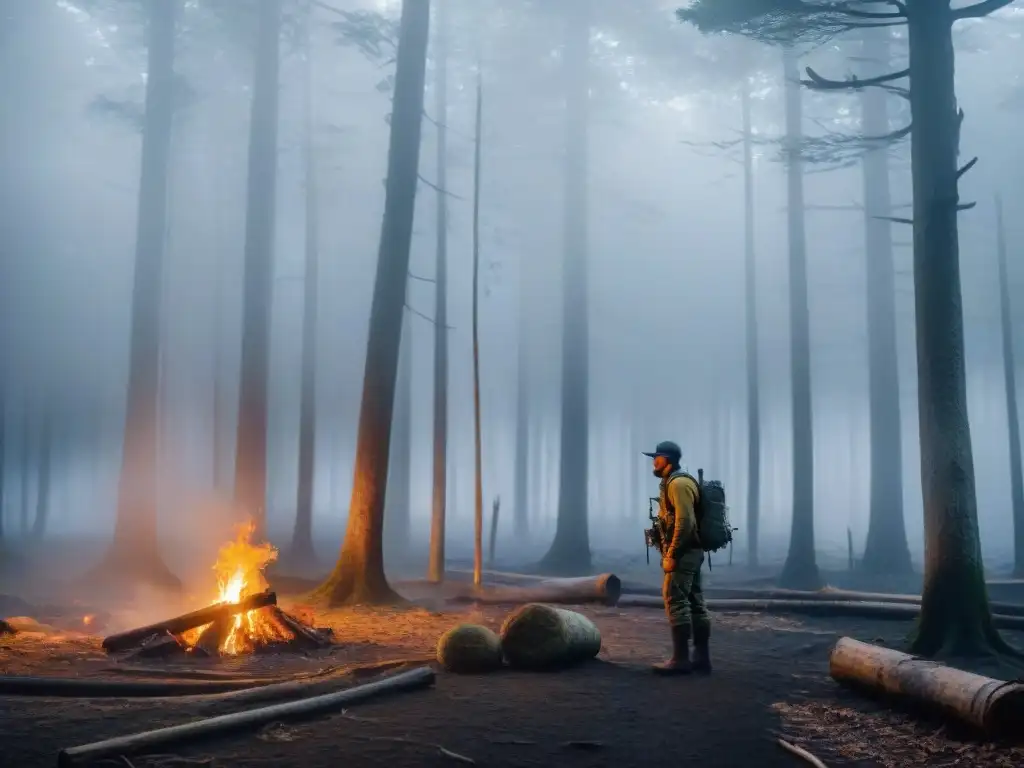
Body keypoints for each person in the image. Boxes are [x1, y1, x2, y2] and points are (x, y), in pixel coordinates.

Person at [642, 440, 711, 675]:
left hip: (683, 552)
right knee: (694, 601)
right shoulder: (677, 481)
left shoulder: (678, 484)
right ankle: (701, 658)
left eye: (657, 457)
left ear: (668, 459)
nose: (654, 461)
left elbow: (685, 521)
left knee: (675, 599)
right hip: (692, 551)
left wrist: (672, 554)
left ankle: (680, 660)